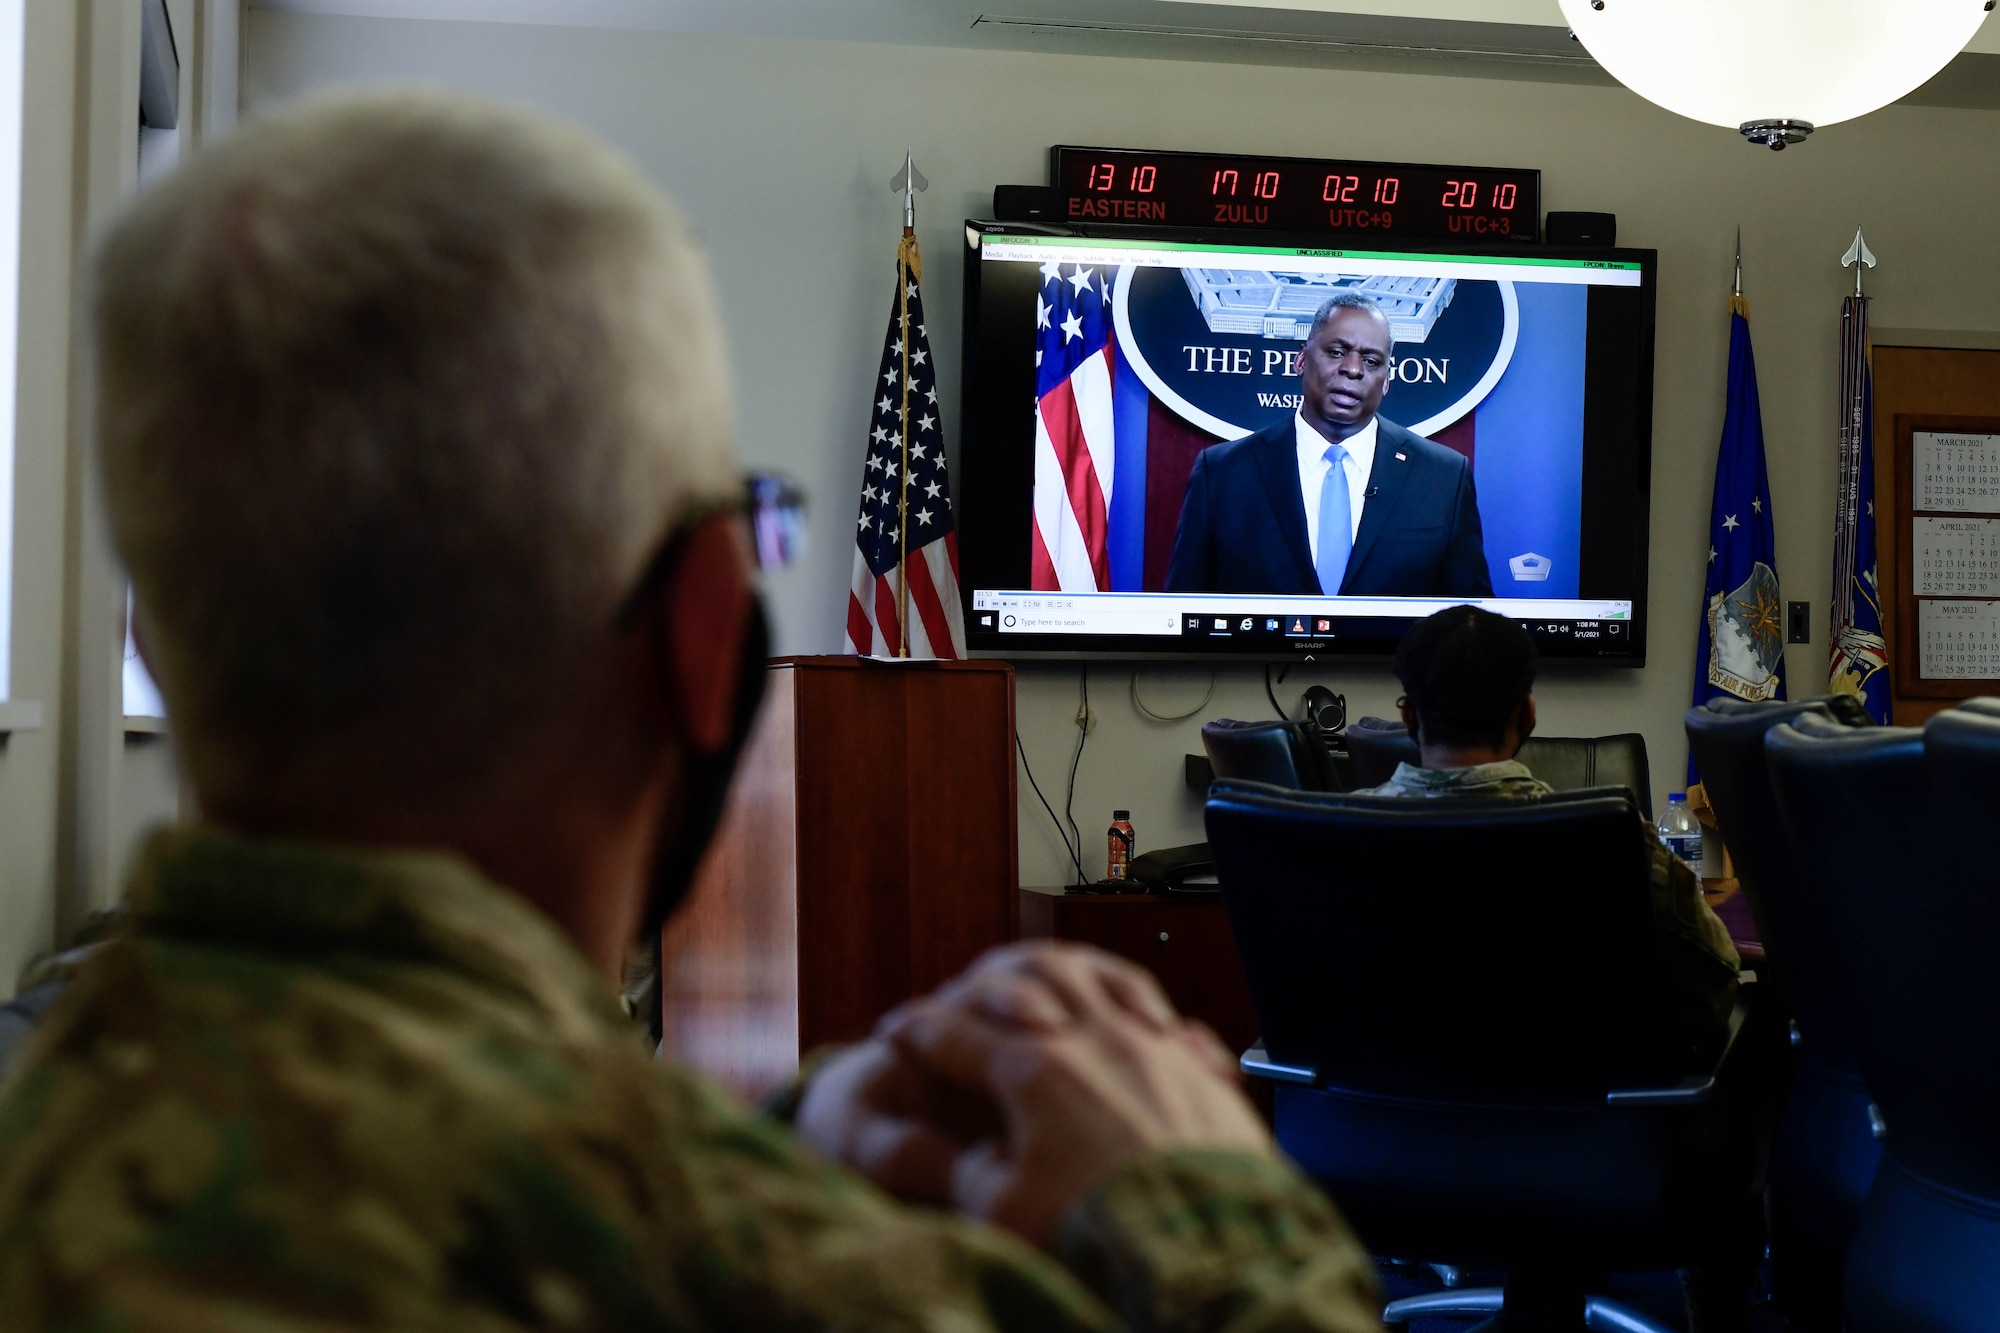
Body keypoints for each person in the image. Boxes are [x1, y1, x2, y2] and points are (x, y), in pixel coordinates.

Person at [0, 92, 1384, 1333]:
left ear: (158, 650)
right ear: (708, 628)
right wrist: (1212, 1213)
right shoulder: (769, 1275)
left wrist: (778, 1132)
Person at [1357, 605, 1741, 1046]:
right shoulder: (1613, 837)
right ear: (1527, 716)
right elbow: (1716, 974)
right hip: (1578, 1106)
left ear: (1408, 717)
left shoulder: (1330, 837)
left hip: (1372, 1107)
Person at [1164, 294, 1491, 598]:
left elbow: (1470, 625)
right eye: (1336, 352)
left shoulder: (1442, 477)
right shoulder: (1222, 473)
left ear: (1387, 381)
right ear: (1301, 361)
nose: (1352, 369)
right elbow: (1183, 610)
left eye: (1372, 361)